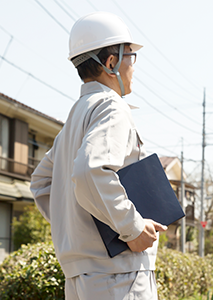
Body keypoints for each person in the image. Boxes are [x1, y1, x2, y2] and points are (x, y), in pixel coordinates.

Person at [30, 11, 167, 300]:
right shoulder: (111, 106)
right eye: (130, 56)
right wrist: (132, 227)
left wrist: (77, 227)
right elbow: (91, 171)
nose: (133, 66)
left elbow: (41, 183)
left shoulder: (74, 119)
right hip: (118, 274)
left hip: (81, 276)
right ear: (111, 62)